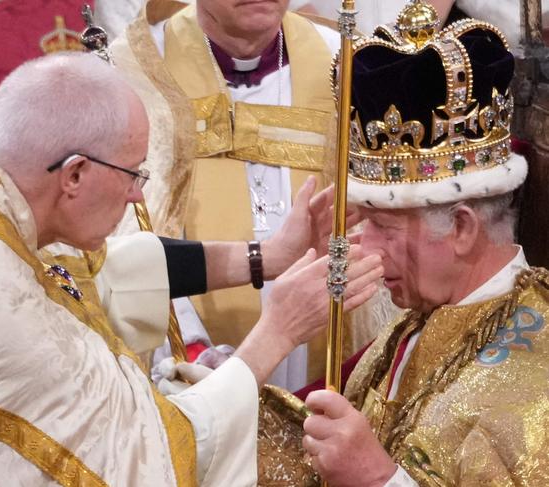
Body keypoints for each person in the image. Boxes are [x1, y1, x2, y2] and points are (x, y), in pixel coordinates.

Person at [0, 51, 383, 486]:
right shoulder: (18, 325)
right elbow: (159, 454)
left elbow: (106, 271)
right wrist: (279, 329)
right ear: (74, 175)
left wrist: (270, 256)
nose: (137, 195)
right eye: (133, 174)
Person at [301, 3, 549, 486]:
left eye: (383, 227)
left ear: (461, 227)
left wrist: (378, 479)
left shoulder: (538, 371)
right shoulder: (408, 330)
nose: (362, 246)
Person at [105, 0, 398, 392]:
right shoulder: (137, 67)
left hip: (328, 350)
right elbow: (127, 225)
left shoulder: (345, 59)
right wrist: (185, 343)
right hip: (193, 353)